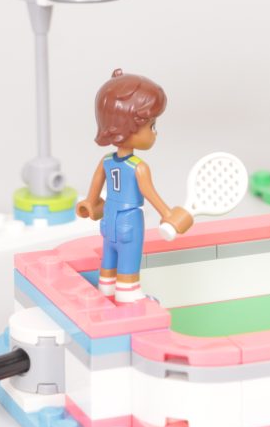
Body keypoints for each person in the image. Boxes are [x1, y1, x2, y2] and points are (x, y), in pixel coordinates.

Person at [75, 69, 193, 302]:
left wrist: (89, 203)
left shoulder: (106, 161)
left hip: (109, 218)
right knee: (129, 258)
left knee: (109, 256)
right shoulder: (138, 167)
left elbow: (96, 185)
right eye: (151, 126)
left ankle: (106, 289)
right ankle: (128, 294)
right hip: (129, 220)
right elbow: (150, 194)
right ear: (129, 127)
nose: (155, 132)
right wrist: (168, 214)